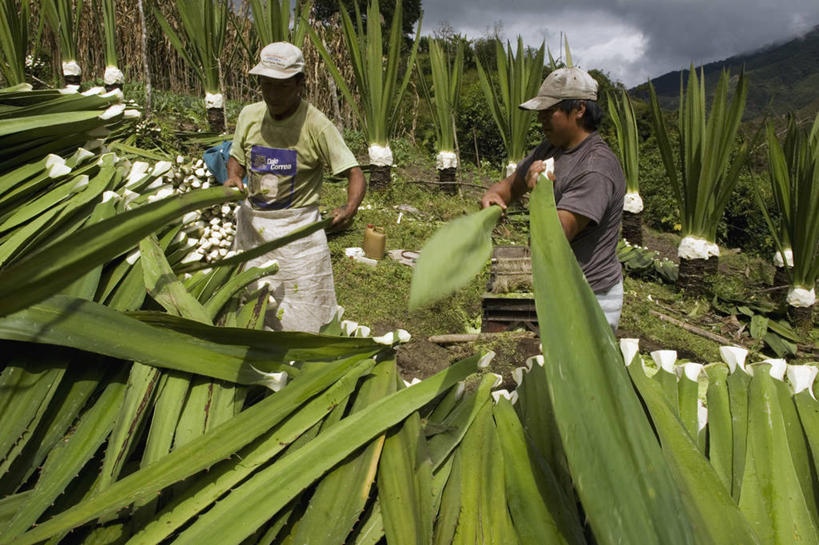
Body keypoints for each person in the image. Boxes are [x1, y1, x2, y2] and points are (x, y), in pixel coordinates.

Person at [225, 42, 366, 333]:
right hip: (254, 224)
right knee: (250, 299)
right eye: (267, 84)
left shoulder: (316, 125)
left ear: (300, 83)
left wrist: (349, 208)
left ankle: (303, 346)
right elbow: (236, 157)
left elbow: (354, 173)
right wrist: (234, 177)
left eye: (282, 86)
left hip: (298, 230)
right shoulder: (249, 116)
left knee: (304, 307)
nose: (273, 94)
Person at [481, 67, 626, 331]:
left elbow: (552, 239)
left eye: (550, 112)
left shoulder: (595, 168)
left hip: (590, 297)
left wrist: (540, 193)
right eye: (541, 113)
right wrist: (494, 196)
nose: (541, 120)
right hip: (561, 287)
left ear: (579, 109)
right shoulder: (553, 147)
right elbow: (509, 187)